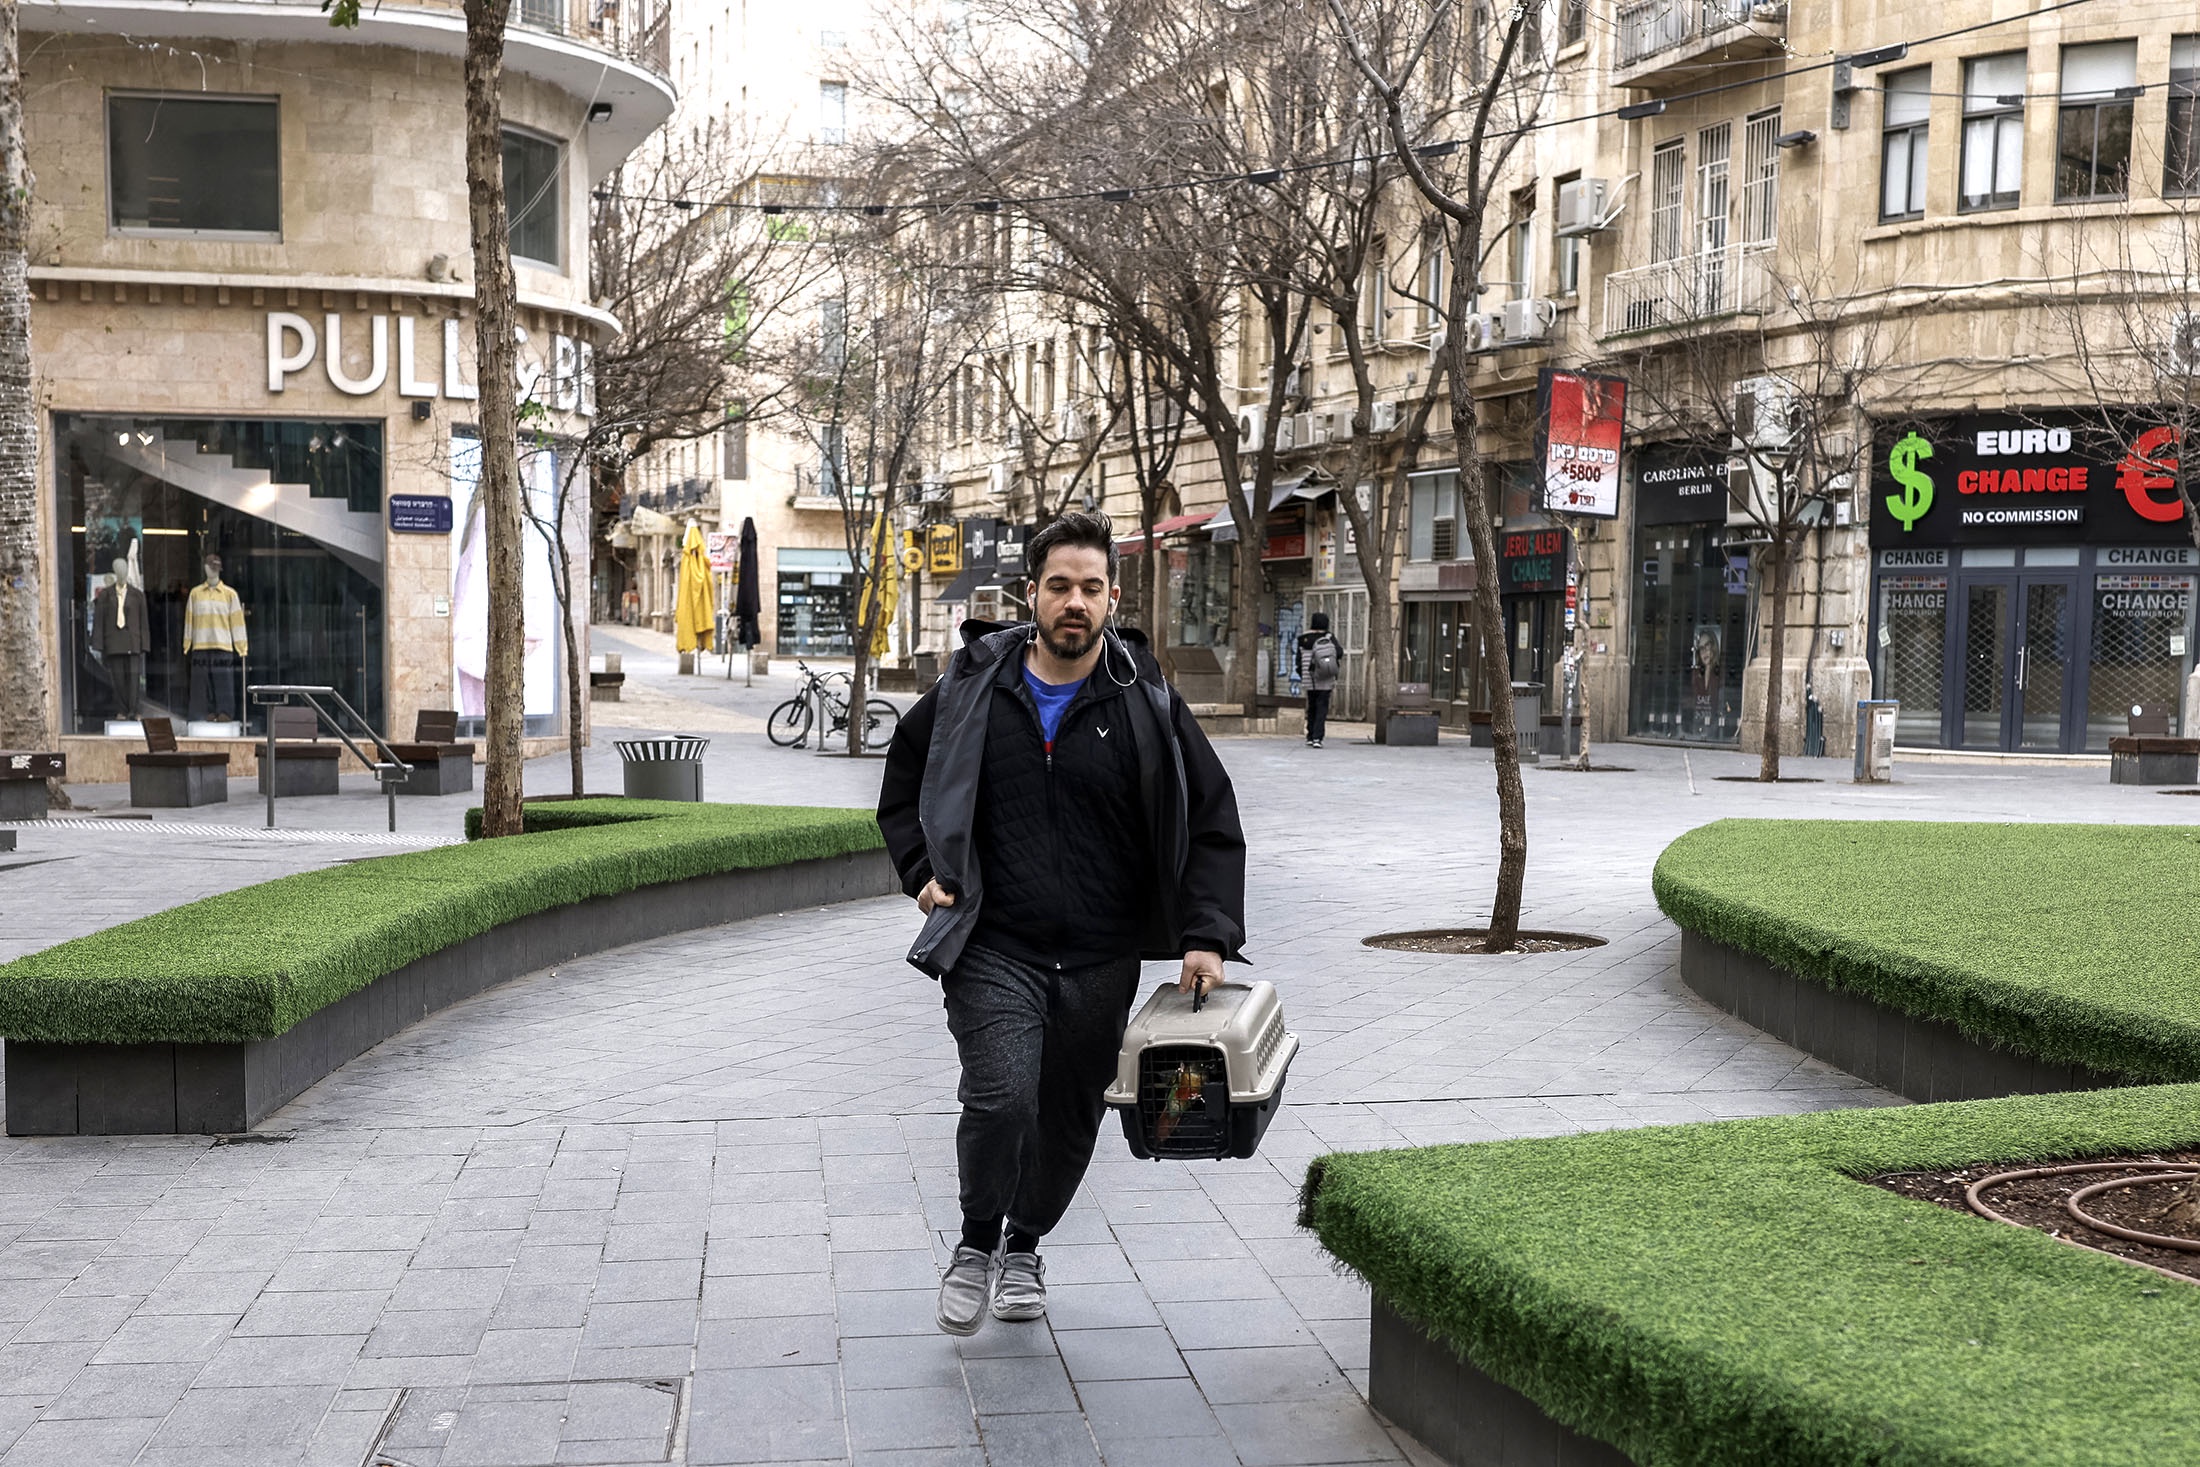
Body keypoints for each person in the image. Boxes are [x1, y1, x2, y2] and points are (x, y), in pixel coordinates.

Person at [877, 511, 1248, 1337]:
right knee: (1002, 1097)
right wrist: (920, 873)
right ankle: (977, 1242)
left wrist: (1207, 933)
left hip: (1099, 956)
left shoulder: (1144, 697)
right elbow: (902, 779)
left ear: (1112, 596)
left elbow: (1212, 815)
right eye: (1059, 586)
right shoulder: (974, 686)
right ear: (1031, 594)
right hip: (993, 943)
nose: (1074, 602)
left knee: (1071, 1114)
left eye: (1090, 587)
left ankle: (1025, 1244)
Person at [1296, 611, 1342, 747]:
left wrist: (1302, 673)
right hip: (1325, 677)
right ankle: (1318, 737)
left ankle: (1310, 736)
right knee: (1322, 707)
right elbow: (1339, 653)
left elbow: (1298, 660)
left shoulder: (1303, 638)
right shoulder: (1329, 637)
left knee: (1311, 707)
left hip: (1309, 678)